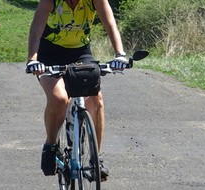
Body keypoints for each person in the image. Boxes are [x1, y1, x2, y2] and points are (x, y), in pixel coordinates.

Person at [26, 0, 128, 181]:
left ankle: (96, 158)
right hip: (49, 54)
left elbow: (109, 22)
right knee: (59, 99)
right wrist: (33, 59)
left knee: (96, 99)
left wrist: (120, 53)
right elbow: (36, 28)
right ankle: (50, 145)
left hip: (80, 52)